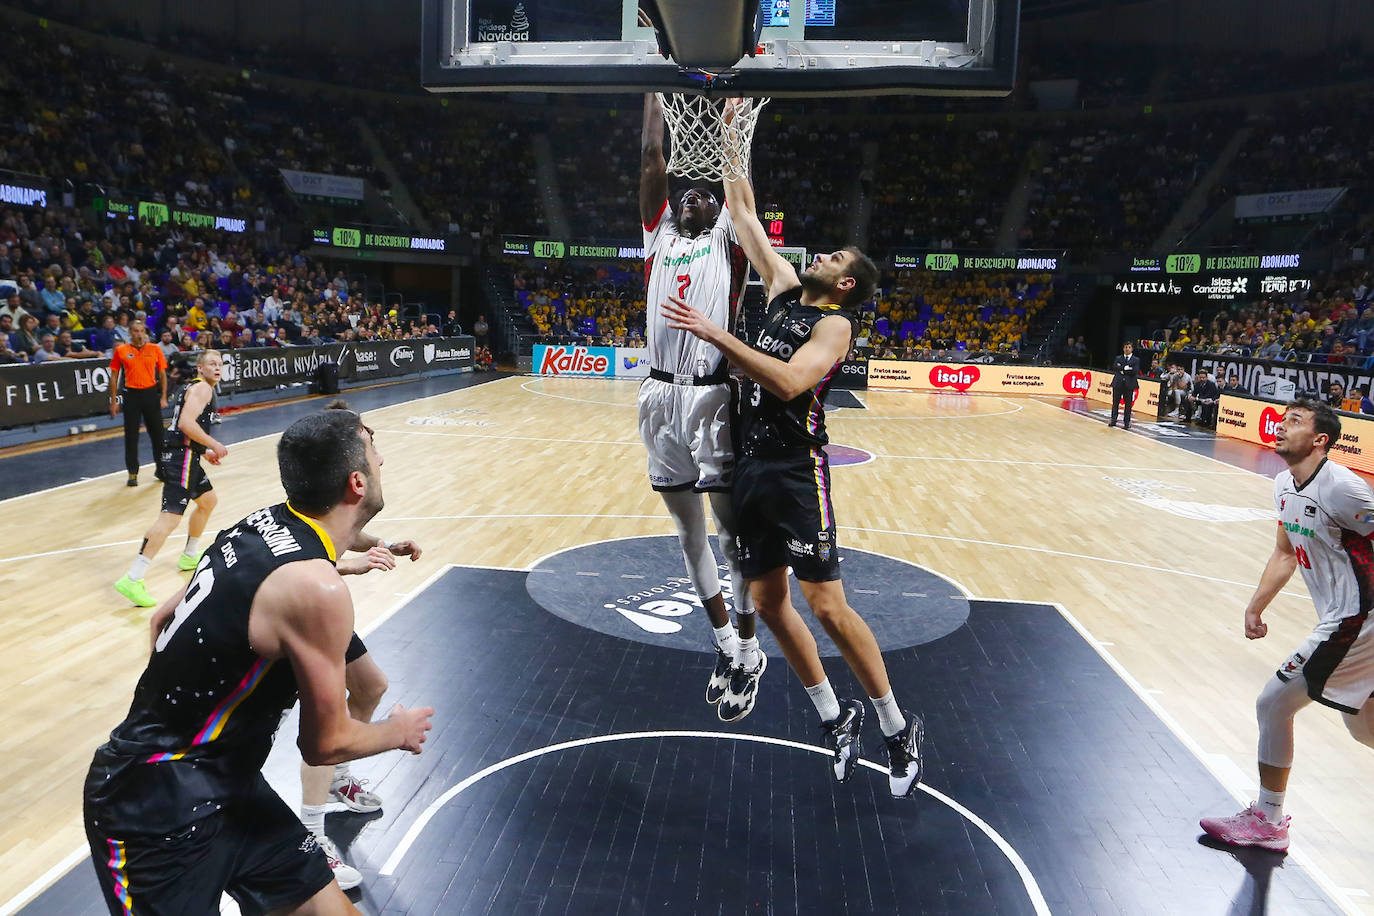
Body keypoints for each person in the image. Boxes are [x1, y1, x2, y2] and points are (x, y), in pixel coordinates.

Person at [84, 408, 434, 915]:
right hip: (155, 807)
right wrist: (397, 732)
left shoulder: (262, 522)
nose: (382, 456)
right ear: (356, 482)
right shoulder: (317, 587)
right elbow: (324, 743)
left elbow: (161, 617)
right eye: (372, 445)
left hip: (228, 783)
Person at [660, 126, 923, 797]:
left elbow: (787, 382)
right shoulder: (782, 290)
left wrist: (716, 333)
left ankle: (896, 728)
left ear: (845, 285)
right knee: (771, 603)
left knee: (827, 606)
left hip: (795, 474)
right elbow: (742, 212)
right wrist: (730, 131)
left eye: (837, 257)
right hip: (749, 470)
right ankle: (836, 719)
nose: (824, 254)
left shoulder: (835, 326)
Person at [1200, 400, 1374, 852]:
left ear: (1321, 440)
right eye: (1283, 417)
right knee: (1365, 728)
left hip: (1358, 620)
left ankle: (1269, 820)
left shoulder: (1343, 490)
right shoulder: (1282, 483)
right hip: (1347, 619)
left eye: (1294, 421)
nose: (1281, 425)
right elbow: (1283, 551)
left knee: (1274, 703)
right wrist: (1256, 606)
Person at [638, 92, 762, 721]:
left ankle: (748, 643)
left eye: (702, 194)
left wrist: (734, 122)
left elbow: (736, 183)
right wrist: (653, 87)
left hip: (710, 393)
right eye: (684, 193)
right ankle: (724, 646)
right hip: (657, 395)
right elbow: (654, 157)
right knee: (689, 536)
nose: (691, 196)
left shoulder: (727, 240)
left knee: (729, 533)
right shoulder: (656, 232)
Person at [296, 400, 425, 891]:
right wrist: (350, 567)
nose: (378, 455)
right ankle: (310, 836)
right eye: (370, 442)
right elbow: (299, 569)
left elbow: (344, 534)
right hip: (305, 606)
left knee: (370, 685)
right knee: (323, 724)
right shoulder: (306, 514)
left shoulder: (326, 497)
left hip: (320, 599)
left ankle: (339, 776)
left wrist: (383, 546)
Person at [115, 350, 227, 608]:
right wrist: (214, 443)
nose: (217, 367)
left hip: (185, 453)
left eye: (220, 364)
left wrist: (204, 451)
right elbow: (187, 423)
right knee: (170, 517)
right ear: (200, 368)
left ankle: (189, 555)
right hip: (181, 458)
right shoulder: (203, 390)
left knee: (208, 501)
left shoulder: (194, 387)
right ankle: (133, 577)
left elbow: (180, 426)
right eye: (212, 363)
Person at [110, 320, 169, 487]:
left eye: (142, 330)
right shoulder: (121, 350)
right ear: (130, 333)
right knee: (131, 436)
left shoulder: (155, 349)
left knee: (158, 435)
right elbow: (114, 376)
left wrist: (163, 396)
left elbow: (163, 374)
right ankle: (132, 473)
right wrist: (114, 400)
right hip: (131, 395)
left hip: (150, 394)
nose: (139, 334)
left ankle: (161, 469)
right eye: (135, 330)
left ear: (145, 332)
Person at [1108, 341, 1140, 429]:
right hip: (1118, 383)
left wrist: (1122, 369)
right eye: (1126, 347)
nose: (1127, 349)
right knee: (1115, 403)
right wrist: (1126, 368)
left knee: (1128, 404)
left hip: (1129, 384)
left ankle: (1126, 422)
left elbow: (1135, 371)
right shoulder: (1118, 358)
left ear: (1132, 349)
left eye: (1129, 347)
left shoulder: (1136, 360)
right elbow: (1115, 367)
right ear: (1123, 348)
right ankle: (1113, 420)